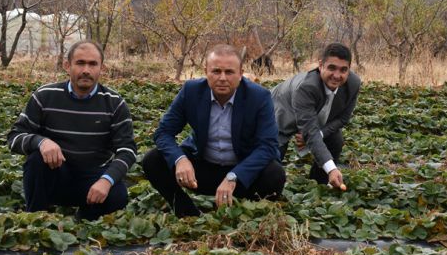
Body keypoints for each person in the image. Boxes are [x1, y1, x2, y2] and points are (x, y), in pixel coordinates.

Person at [142, 44, 285, 217]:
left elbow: (268, 146)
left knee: (275, 174)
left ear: (240, 74)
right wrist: (180, 159)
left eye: (229, 72)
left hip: (241, 174)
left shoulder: (259, 97)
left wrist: (234, 176)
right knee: (153, 160)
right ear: (206, 71)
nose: (222, 78)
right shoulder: (191, 91)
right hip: (201, 171)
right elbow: (163, 132)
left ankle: (246, 214)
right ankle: (187, 212)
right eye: (216, 71)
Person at [7, 40, 136, 220]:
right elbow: (14, 137)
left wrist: (106, 181)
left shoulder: (114, 103)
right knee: (37, 159)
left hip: (92, 177)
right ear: (67, 66)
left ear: (102, 68)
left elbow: (127, 150)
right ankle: (36, 218)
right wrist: (41, 141)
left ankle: (84, 216)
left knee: (118, 195)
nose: (86, 70)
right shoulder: (44, 96)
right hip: (56, 174)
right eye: (80, 63)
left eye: (93, 64)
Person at [272, 43, 360, 189]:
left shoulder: (353, 84)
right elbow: (310, 132)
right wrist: (332, 168)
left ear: (349, 70)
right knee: (271, 165)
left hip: (313, 114)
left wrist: (319, 133)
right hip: (281, 114)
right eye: (331, 68)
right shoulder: (306, 87)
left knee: (335, 139)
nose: (337, 75)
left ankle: (319, 185)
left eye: (343, 70)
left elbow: (343, 119)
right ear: (321, 65)